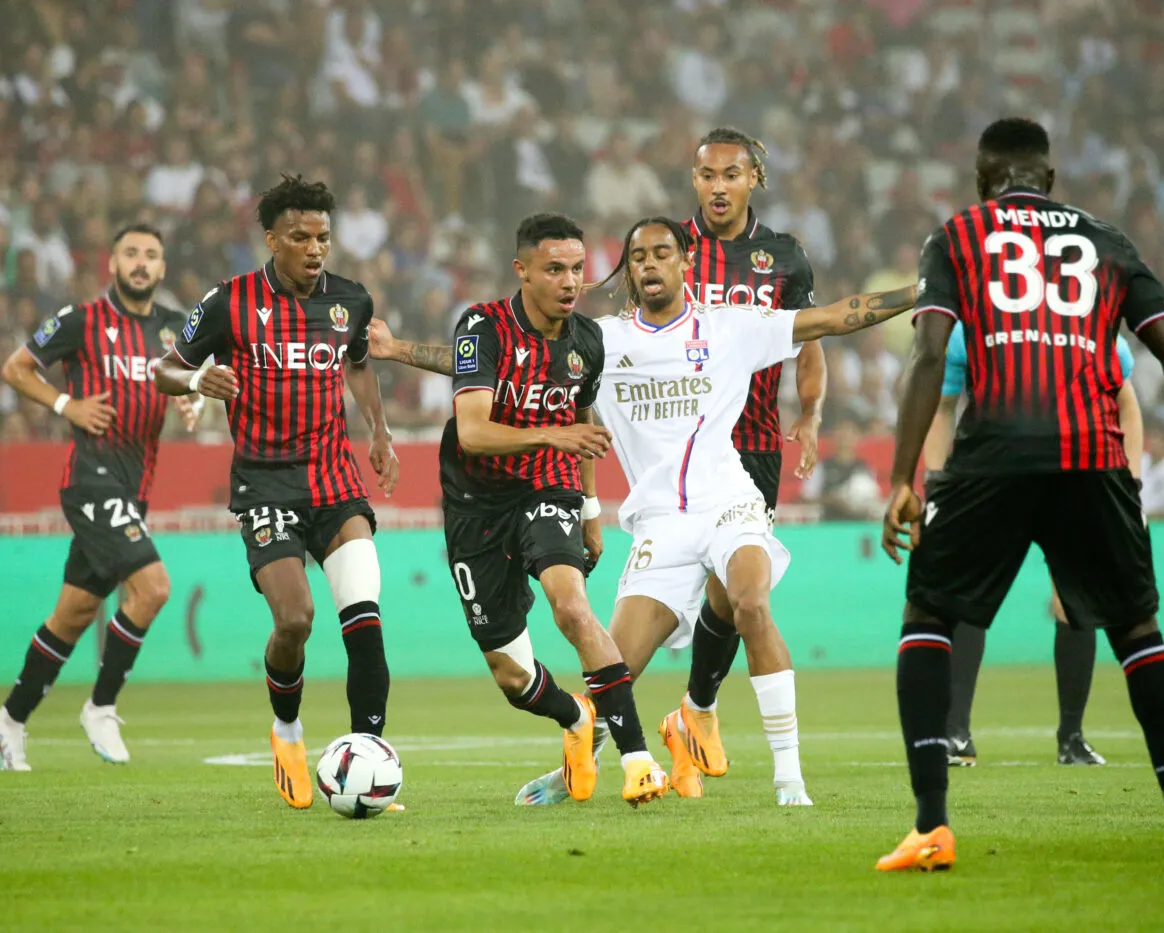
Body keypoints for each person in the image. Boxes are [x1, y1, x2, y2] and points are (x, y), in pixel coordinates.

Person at [371, 216, 916, 806]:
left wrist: (920, 291)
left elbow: (834, 317)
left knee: (751, 603)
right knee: (611, 677)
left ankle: (790, 782)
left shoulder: (733, 327)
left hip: (728, 501)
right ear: (628, 270)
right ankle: (583, 766)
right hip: (659, 525)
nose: (650, 264)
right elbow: (491, 363)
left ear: (686, 262)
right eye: (638, 257)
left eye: (661, 253)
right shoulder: (602, 342)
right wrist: (398, 350)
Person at [878, 118, 1164, 873]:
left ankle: (932, 826)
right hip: (1091, 454)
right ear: (1047, 179)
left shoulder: (956, 237)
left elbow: (928, 354)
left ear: (983, 181)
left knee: (929, 615)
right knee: (1138, 631)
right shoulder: (1108, 242)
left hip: (992, 456)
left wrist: (901, 478)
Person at [367, 213, 671, 808]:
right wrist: (552, 435)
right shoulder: (482, 326)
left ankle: (638, 761)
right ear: (522, 271)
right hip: (475, 505)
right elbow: (474, 432)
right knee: (512, 676)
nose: (570, 281)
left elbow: (581, 420)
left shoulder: (587, 340)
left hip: (547, 487)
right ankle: (577, 719)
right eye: (554, 269)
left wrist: (590, 508)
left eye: (577, 269)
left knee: (572, 607)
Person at [152, 175, 401, 811]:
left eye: (322, 237)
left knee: (364, 616)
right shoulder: (230, 302)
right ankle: (287, 728)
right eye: (300, 237)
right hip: (264, 484)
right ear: (272, 240)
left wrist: (378, 432)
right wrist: (198, 380)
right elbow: (164, 370)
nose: (315, 248)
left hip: (334, 481)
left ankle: (367, 758)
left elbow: (358, 363)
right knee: (295, 620)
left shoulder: (350, 301)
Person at [0, 224, 197, 770]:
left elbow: (196, 375)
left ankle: (8, 721)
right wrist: (66, 405)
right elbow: (15, 368)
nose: (140, 262)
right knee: (153, 588)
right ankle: (101, 706)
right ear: (112, 264)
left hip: (134, 488)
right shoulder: (81, 320)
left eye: (151, 255)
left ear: (163, 268)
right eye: (131, 253)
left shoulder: (176, 327)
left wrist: (194, 397)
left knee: (73, 614)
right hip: (91, 480)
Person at [661, 127, 829, 797]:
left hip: (753, 447)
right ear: (694, 179)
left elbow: (810, 343)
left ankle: (694, 710)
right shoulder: (666, 248)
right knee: (698, 596)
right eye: (707, 175)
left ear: (754, 177)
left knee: (732, 595)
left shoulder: (784, 258)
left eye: (731, 174)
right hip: (680, 446)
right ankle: (666, 718)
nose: (718, 186)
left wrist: (810, 412)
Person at [923, 321, 1144, 767]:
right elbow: (942, 406)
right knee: (967, 595)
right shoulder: (971, 330)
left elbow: (1127, 405)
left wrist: (1131, 483)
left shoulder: (1092, 328)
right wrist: (934, 484)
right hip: (993, 476)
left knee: (1073, 600)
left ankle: (1071, 738)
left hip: (1073, 476)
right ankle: (955, 733)